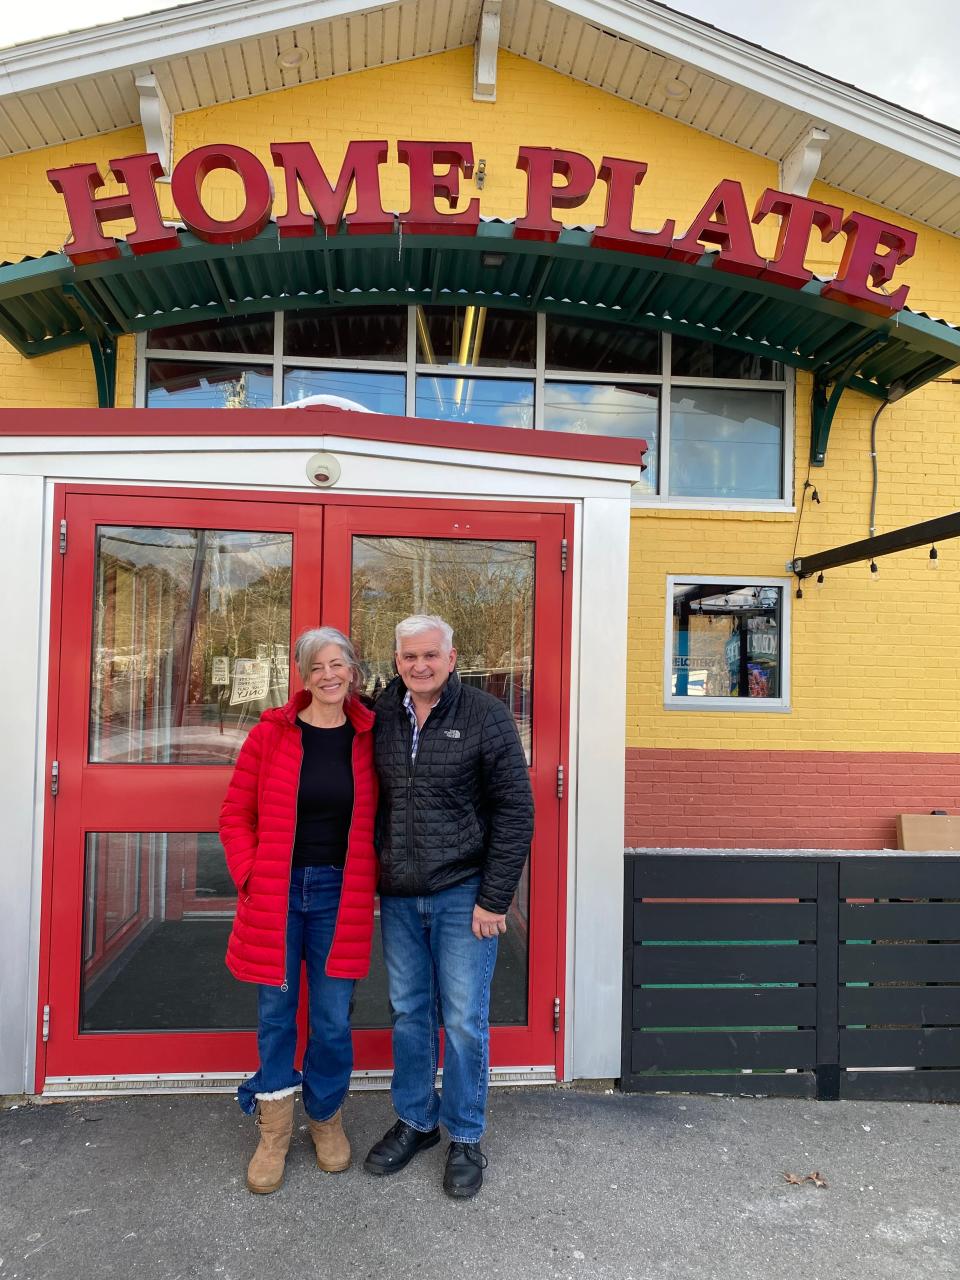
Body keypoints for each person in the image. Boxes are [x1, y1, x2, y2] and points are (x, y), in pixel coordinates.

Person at [364, 614, 534, 1198]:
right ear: (396, 661)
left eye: (430, 655)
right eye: (409, 656)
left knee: (463, 1019)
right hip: (401, 894)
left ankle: (465, 1133)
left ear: (452, 657)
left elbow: (516, 812)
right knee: (410, 1012)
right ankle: (416, 1121)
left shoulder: (485, 715)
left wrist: (494, 898)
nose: (420, 665)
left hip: (465, 891)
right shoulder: (382, 715)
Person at [220, 627, 378, 1195]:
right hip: (278, 894)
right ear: (303, 676)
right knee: (276, 1014)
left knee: (333, 1017)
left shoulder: (369, 736)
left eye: (339, 665)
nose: (329, 675)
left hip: (341, 894)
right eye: (317, 667)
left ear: (353, 671)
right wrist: (248, 874)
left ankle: (326, 1117)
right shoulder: (271, 736)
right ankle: (275, 1130)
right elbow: (234, 815)